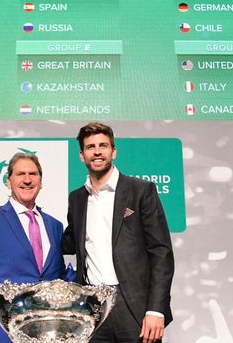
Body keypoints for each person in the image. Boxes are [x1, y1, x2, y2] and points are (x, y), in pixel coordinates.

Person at [62, 122, 175, 343]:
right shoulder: (76, 198)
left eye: (103, 145)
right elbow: (68, 240)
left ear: (113, 151)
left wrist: (156, 309)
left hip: (135, 307)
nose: (97, 151)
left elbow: (162, 253)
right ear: (81, 156)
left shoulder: (141, 191)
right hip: (91, 307)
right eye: (90, 147)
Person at [0, 153, 66, 342]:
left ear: (41, 182)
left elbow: (57, 281)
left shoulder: (55, 226)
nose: (27, 180)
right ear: (9, 181)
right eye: (20, 174)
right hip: (1, 335)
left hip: (45, 336)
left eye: (33, 174)